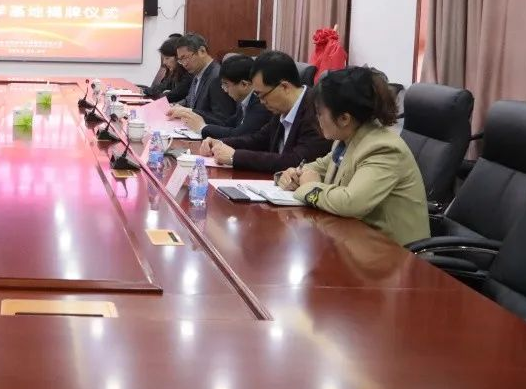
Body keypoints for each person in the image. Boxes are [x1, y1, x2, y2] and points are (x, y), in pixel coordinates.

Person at [277, 67, 430, 245]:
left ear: (344, 119)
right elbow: (316, 167)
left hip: (394, 253)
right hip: (356, 241)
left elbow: (352, 202)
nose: (317, 119)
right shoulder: (346, 139)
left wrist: (309, 187)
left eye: (320, 113)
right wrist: (293, 174)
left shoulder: (382, 148)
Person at [198, 51, 331, 172]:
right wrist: (220, 143)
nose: (261, 102)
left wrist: (235, 156)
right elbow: (259, 139)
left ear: (284, 87)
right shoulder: (281, 108)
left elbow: (296, 161)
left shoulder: (316, 111)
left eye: (262, 95)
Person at [175, 55, 271, 138]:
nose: (224, 90)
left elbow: (239, 134)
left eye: (226, 85)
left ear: (244, 84)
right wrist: (195, 116)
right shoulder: (244, 101)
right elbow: (226, 124)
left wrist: (202, 127)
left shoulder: (260, 104)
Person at [166, 34, 236, 125]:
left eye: (185, 58)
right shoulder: (197, 73)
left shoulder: (217, 77)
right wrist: (174, 106)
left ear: (202, 51)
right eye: (180, 60)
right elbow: (190, 100)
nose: (184, 64)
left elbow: (222, 118)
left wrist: (189, 112)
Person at [145, 38, 193, 103]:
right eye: (163, 58)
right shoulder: (174, 73)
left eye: (167, 58)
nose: (164, 62)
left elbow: (172, 96)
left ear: (178, 57)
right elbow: (161, 87)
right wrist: (145, 90)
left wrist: (164, 93)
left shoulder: (188, 74)